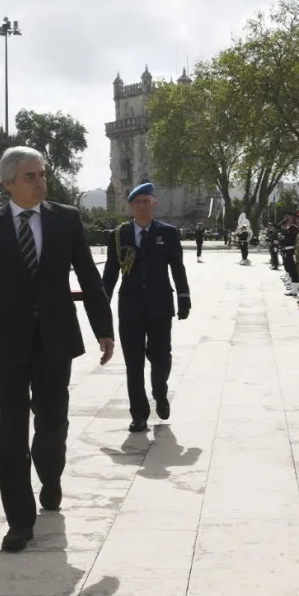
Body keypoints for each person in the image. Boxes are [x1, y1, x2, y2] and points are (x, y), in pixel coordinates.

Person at [0, 146, 115, 553]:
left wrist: (104, 329)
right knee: (12, 431)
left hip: (56, 339)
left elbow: (89, 277)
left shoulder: (66, 219)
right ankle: (19, 521)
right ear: (7, 184)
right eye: (30, 176)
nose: (40, 181)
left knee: (53, 421)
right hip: (6, 341)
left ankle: (51, 475)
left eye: (42, 174)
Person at [102, 182, 192, 433]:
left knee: (161, 357)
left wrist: (184, 297)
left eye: (146, 201)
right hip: (130, 307)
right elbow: (110, 274)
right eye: (137, 202)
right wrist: (101, 306)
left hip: (160, 306)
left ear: (154, 203)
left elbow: (178, 268)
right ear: (131, 206)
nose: (141, 206)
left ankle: (160, 392)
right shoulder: (119, 235)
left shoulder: (168, 233)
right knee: (133, 362)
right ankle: (138, 414)